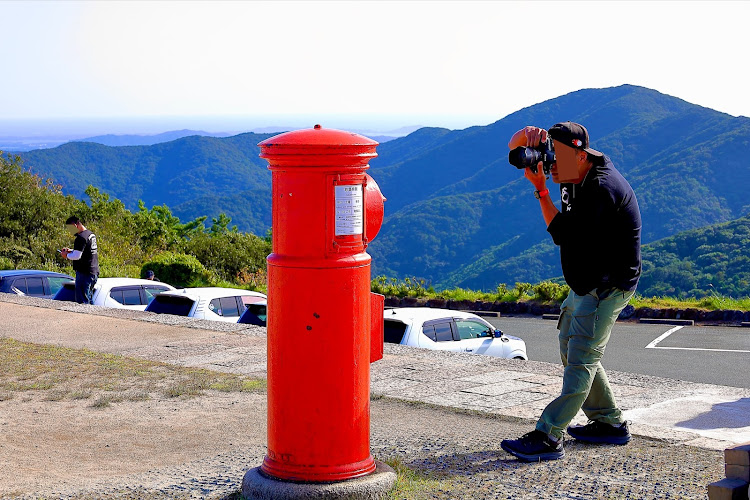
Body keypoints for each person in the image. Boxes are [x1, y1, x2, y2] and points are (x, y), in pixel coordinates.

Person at [500, 122, 642, 462]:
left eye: (556, 159)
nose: (551, 167)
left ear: (581, 155)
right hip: (585, 281)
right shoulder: (573, 167)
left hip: (605, 287)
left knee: (580, 360)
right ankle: (609, 423)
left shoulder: (601, 189)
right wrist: (531, 137)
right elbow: (512, 150)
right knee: (571, 346)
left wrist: (541, 191)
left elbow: (562, 233)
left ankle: (548, 435)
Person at [60, 216, 99, 305]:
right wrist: (71, 250)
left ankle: (86, 318)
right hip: (93, 271)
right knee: (89, 298)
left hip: (84, 272)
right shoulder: (90, 234)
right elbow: (86, 251)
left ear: (75, 225)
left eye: (70, 228)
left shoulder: (80, 237)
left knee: (82, 301)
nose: (71, 231)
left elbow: (77, 256)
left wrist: (66, 255)